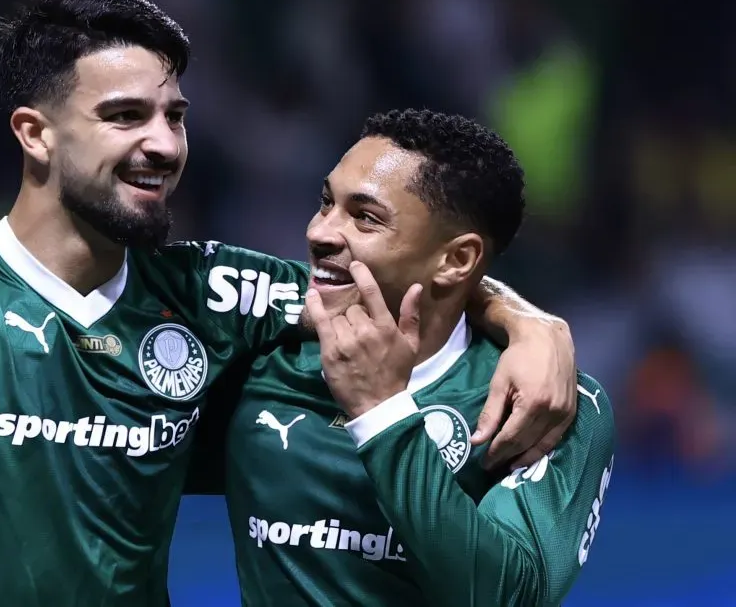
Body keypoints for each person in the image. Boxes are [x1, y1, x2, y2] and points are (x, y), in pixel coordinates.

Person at [0, 0, 575, 607]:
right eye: (125, 116)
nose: (163, 143)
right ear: (34, 133)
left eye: (175, 116)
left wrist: (526, 321)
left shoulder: (210, 289)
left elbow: (389, 284)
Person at [200, 109, 614, 606]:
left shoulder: (548, 400)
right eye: (326, 202)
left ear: (456, 259)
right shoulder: (266, 351)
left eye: (365, 217)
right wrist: (521, 315)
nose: (319, 232)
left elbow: (510, 597)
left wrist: (382, 413)